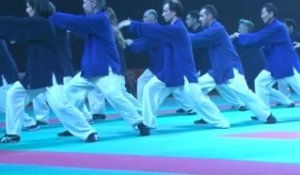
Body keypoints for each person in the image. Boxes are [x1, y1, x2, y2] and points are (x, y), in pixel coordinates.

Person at [119, 0, 230, 130]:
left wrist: (132, 24)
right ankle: (148, 123)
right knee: (149, 88)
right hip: (169, 72)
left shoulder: (178, 28)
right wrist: (132, 43)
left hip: (183, 72)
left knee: (197, 99)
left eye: (166, 11)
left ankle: (221, 121)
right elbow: (154, 36)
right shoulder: (172, 29)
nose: (163, 14)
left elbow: (156, 30)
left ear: (173, 12)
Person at [0, 0, 98, 143]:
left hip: (49, 72)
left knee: (60, 104)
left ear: (36, 8)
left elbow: (16, 24)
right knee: (14, 95)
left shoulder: (42, 23)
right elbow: (21, 30)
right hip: (36, 73)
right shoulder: (40, 24)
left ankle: (88, 132)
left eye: (28, 7)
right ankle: (12, 134)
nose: (26, 10)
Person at [50, 0, 149, 136]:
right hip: (90, 70)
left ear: (93, 4)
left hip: (104, 69)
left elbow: (77, 22)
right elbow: (78, 26)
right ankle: (77, 125)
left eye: (85, 2)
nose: (83, 5)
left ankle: (139, 123)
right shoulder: (94, 21)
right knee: (68, 93)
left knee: (115, 96)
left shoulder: (100, 19)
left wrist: (51, 15)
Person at [190, 4, 276, 124]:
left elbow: (196, 39)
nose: (200, 18)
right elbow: (197, 39)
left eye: (202, 16)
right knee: (195, 89)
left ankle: (267, 115)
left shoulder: (217, 29)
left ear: (210, 16)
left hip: (230, 68)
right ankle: (209, 115)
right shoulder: (212, 29)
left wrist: (179, 36)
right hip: (217, 70)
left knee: (245, 93)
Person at [232, 3, 300, 113]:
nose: (261, 15)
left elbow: (259, 37)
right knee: (260, 81)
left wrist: (239, 36)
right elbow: (260, 40)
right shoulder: (271, 27)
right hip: (275, 64)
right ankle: (264, 112)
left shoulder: (278, 27)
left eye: (263, 13)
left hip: (287, 63)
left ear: (271, 14)